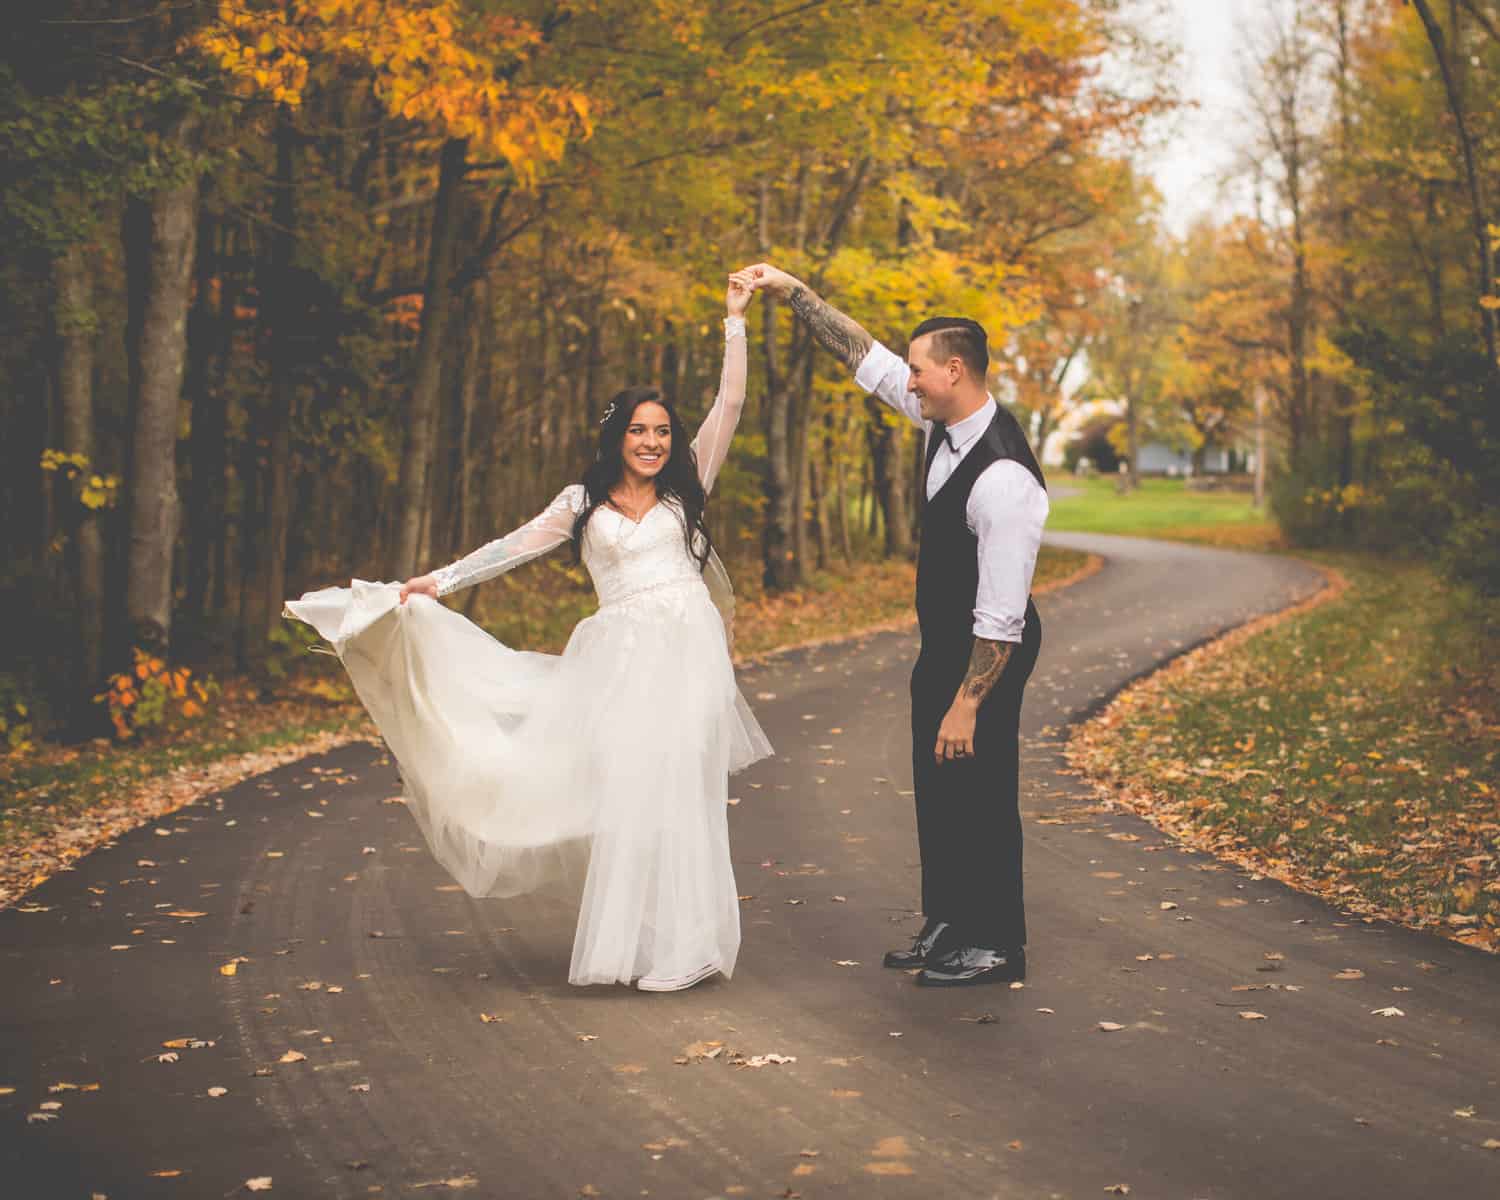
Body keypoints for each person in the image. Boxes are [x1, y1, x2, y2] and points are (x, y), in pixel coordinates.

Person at [283, 277, 771, 992]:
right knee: (631, 798)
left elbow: (730, 404)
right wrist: (438, 583)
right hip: (622, 658)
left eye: (662, 431)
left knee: (684, 794)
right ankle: (634, 945)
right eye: (639, 430)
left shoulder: (685, 485)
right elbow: (513, 546)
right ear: (617, 436)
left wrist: (735, 323)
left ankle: (691, 946)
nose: (653, 442)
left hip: (688, 654)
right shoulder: (581, 503)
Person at [732, 263, 1047, 986]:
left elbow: (1001, 617)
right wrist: (791, 291)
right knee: (937, 785)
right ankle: (948, 925)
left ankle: (996, 942)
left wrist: (968, 704)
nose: (906, 380)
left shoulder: (1003, 478)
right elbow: (861, 354)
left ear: (955, 371)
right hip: (944, 642)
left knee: (982, 787)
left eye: (918, 370)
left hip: (987, 650)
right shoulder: (942, 422)